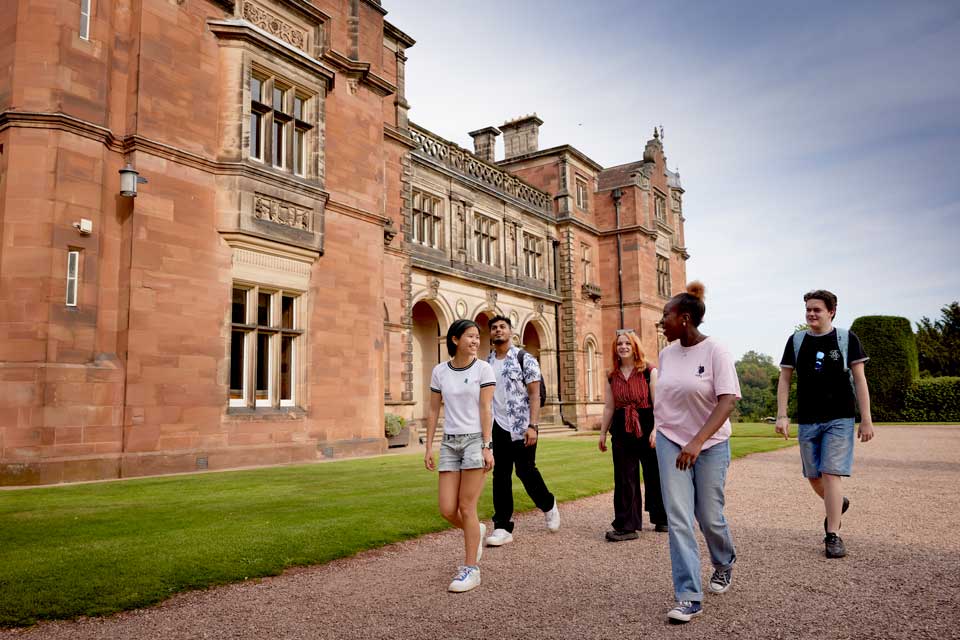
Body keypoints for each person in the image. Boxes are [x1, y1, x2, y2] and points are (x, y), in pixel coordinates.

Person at [654, 282, 741, 623]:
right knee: (678, 517)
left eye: (666, 315)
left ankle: (724, 562)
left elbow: (728, 400)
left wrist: (697, 442)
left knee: (709, 516)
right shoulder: (666, 354)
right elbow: (665, 399)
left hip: (711, 444)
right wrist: (660, 430)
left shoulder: (716, 350)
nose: (662, 321)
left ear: (684, 318)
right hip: (671, 441)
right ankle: (689, 596)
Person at [775, 289, 874, 559]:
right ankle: (837, 502)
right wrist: (782, 415)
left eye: (816, 309)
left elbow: (860, 380)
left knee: (831, 473)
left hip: (840, 417)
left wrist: (866, 419)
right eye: (808, 309)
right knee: (814, 476)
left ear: (831, 311)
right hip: (808, 419)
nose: (811, 314)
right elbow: (785, 378)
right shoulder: (796, 341)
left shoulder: (846, 339)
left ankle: (833, 535)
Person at [423, 319, 496, 593]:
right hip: (449, 443)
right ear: (455, 340)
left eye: (477, 337)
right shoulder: (440, 371)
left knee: (466, 507)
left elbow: (486, 409)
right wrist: (429, 446)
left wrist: (488, 446)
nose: (476, 341)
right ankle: (476, 529)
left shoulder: (483, 369)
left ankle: (471, 570)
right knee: (446, 509)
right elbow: (433, 410)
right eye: (470, 336)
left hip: (475, 441)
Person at [483, 315, 560, 547]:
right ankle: (502, 527)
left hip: (522, 426)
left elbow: (535, 394)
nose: (498, 330)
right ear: (490, 334)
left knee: (526, 471)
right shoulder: (486, 363)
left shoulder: (524, 358)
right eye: (494, 328)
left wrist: (533, 425)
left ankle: (548, 504)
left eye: (502, 327)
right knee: (500, 475)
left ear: (511, 332)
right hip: (497, 426)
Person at [598, 329, 667, 541]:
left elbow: (659, 405)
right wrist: (602, 433)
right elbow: (609, 407)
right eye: (620, 344)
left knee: (654, 473)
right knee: (624, 477)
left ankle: (662, 518)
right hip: (621, 426)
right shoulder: (612, 375)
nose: (623, 347)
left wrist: (656, 429)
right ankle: (627, 525)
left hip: (646, 422)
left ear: (635, 346)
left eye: (627, 343)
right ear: (615, 348)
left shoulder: (649, 371)